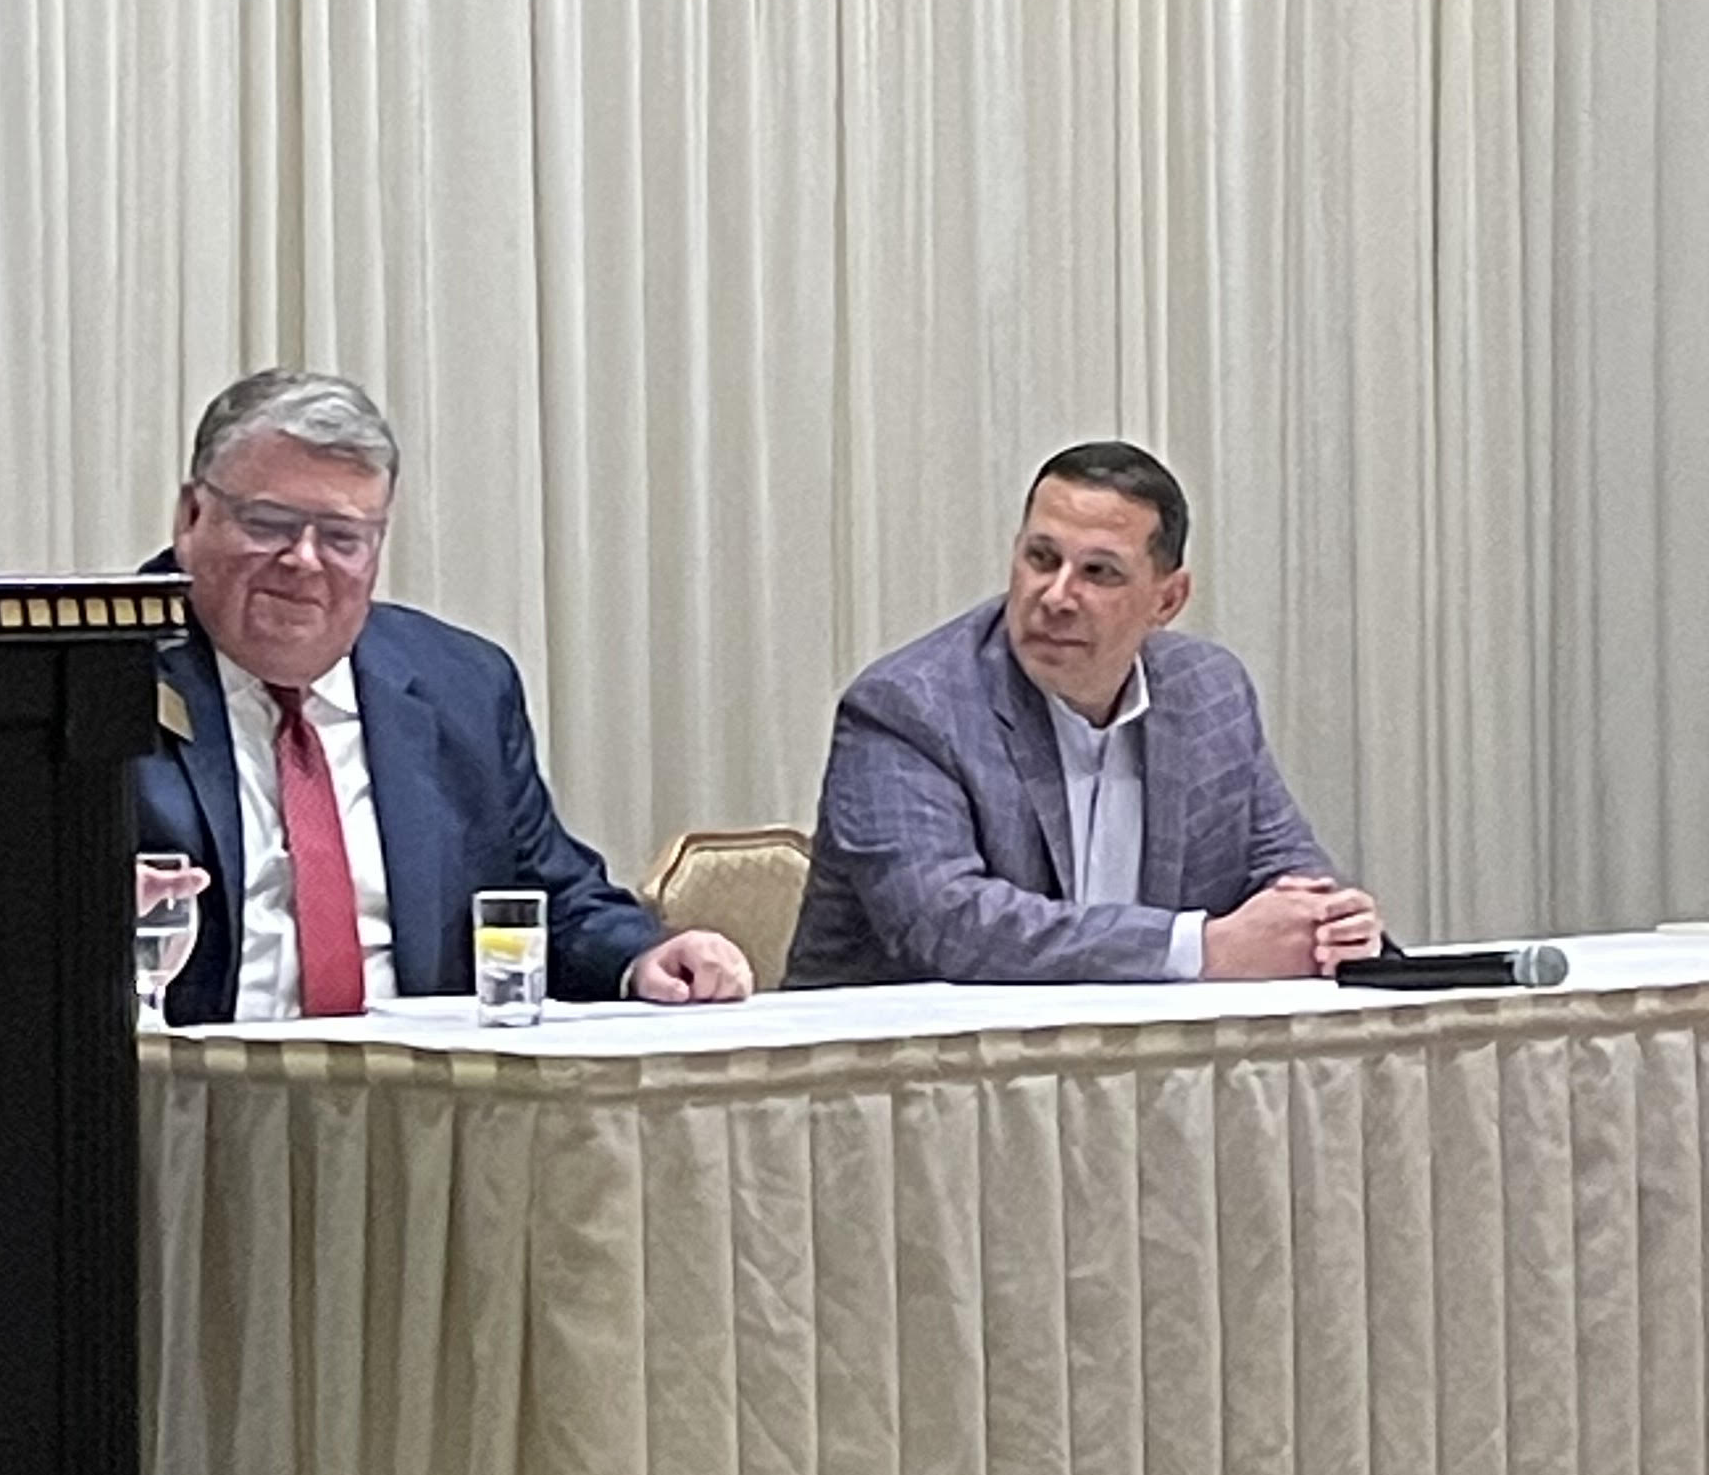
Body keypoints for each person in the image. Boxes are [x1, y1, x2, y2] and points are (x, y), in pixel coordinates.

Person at [136, 367, 749, 1019]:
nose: (304, 560)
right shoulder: (99, 676)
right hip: (185, 1076)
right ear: (191, 517)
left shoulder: (462, 687)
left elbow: (550, 897)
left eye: (342, 538)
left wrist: (644, 957)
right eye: (269, 523)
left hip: (420, 1077)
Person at [784, 441, 1381, 991]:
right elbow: (947, 926)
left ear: (1167, 599)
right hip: (906, 1065)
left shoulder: (1209, 694)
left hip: (1150, 1058)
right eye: (1042, 559)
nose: (1056, 597)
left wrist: (1327, 926)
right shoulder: (907, 707)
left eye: (1099, 573)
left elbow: (1284, 867)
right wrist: (1202, 949)